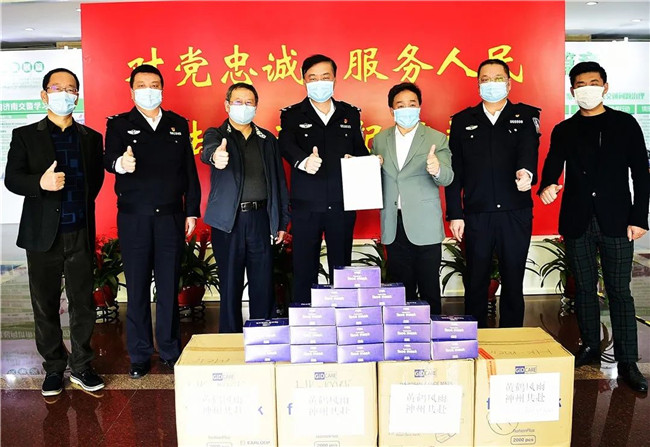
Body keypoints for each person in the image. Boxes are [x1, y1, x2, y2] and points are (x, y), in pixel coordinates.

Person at [538, 61, 649, 392]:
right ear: (573, 91)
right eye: (581, 84)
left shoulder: (625, 124)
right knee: (584, 289)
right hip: (578, 220)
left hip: (617, 220)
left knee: (619, 291)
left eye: (594, 82)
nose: (587, 89)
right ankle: (589, 345)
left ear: (605, 87)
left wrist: (639, 218)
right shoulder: (565, 129)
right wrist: (547, 185)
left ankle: (627, 361)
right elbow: (552, 165)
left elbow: (641, 174)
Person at [5, 68, 105, 396]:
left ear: (77, 95)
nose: (65, 93)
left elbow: (95, 182)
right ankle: (53, 367)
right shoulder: (25, 135)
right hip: (42, 235)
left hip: (79, 231)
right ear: (44, 95)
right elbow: (12, 179)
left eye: (71, 89)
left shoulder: (90, 138)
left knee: (83, 303)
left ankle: (82, 365)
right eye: (57, 88)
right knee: (45, 304)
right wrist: (40, 183)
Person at [104, 64, 201, 379]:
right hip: (135, 217)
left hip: (171, 216)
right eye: (142, 84)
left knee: (169, 285)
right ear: (132, 91)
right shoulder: (120, 124)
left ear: (162, 88)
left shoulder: (177, 124)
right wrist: (121, 163)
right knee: (137, 287)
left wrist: (191, 210)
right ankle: (140, 354)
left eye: (154, 84)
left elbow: (189, 170)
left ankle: (170, 350)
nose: (149, 90)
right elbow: (108, 159)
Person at [445, 59, 540, 328]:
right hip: (478, 213)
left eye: (498, 79)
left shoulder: (525, 115)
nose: (491, 84)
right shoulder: (463, 121)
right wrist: (455, 213)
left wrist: (526, 173)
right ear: (478, 85)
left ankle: (511, 337)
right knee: (476, 279)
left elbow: (529, 149)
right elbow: (455, 172)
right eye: (485, 79)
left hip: (515, 211)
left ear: (509, 84)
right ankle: (475, 338)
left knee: (513, 278)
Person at [279, 54, 368, 303]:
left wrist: (366, 161)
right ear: (304, 81)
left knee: (341, 268)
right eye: (313, 78)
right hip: (306, 207)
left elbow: (360, 150)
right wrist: (302, 161)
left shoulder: (349, 114)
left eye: (325, 77)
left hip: (341, 204)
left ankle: (343, 317)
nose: (319, 82)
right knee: (304, 269)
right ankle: (306, 318)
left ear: (335, 79)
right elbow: (285, 144)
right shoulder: (293, 115)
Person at [201, 83, 289, 333]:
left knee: (263, 281)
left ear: (256, 107)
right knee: (230, 284)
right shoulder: (217, 135)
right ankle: (230, 339)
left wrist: (282, 221)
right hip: (229, 221)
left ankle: (263, 336)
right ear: (227, 105)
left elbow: (279, 182)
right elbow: (208, 151)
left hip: (260, 218)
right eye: (238, 102)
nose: (244, 106)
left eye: (249, 102)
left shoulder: (267, 139)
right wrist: (215, 157)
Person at [372, 82, 453, 315]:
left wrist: (437, 169)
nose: (406, 109)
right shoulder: (380, 140)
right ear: (391, 110)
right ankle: (403, 332)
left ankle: (431, 332)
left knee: (429, 288)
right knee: (400, 289)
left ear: (419, 107)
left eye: (412, 104)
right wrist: (364, 167)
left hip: (424, 223)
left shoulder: (436, 138)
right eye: (400, 105)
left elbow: (448, 177)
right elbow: (373, 179)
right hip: (393, 222)